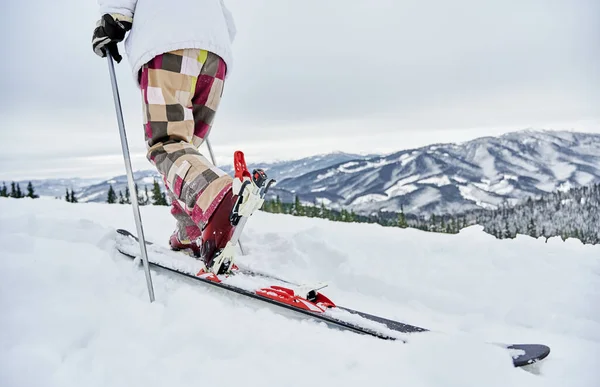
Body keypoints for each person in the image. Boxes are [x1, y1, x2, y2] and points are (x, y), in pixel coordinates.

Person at [92, 0, 262, 274]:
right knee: (184, 152)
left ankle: (216, 195)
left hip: (168, 41)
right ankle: (190, 231)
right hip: (215, 55)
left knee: (167, 144)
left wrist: (113, 17)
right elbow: (227, 21)